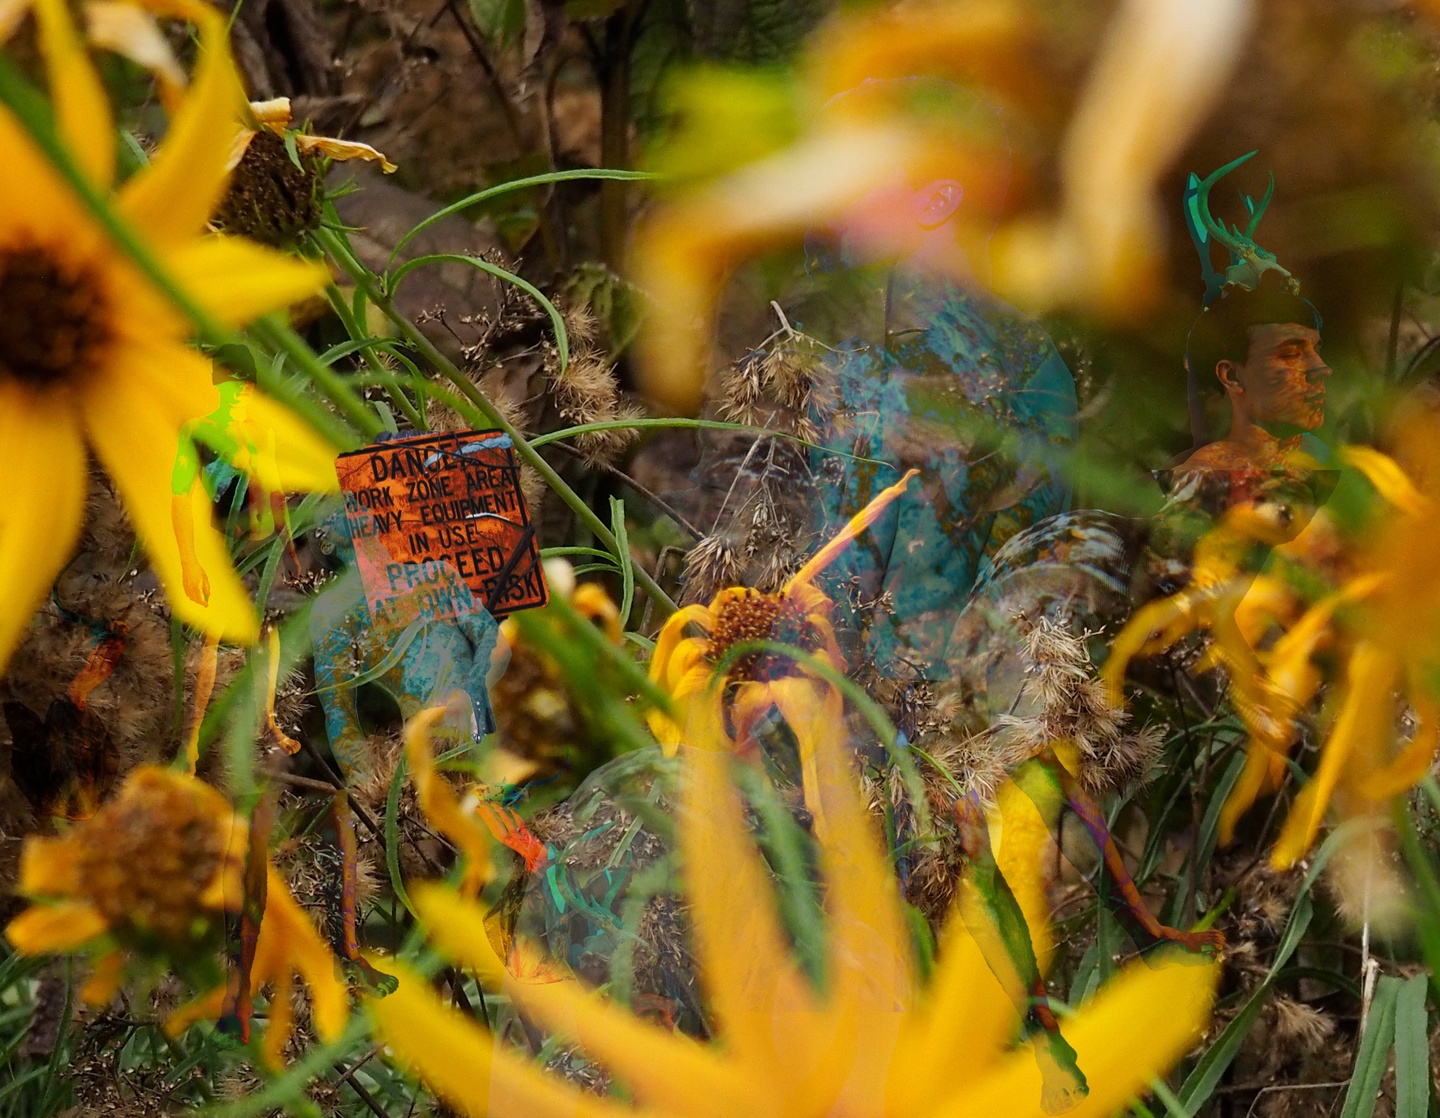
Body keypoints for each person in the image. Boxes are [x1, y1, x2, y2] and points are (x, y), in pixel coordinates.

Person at [804, 80, 1079, 686]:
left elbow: (830, 597)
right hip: (950, 732)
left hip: (876, 732)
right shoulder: (1034, 361)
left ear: (937, 197)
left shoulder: (880, 359)